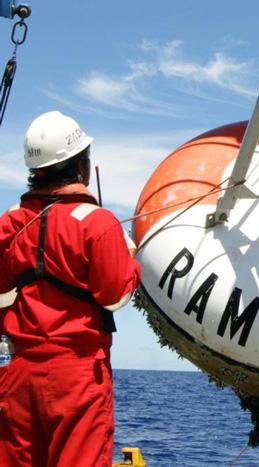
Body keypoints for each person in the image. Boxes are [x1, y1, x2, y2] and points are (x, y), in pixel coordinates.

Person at [0, 111, 141, 467]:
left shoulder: (9, 222)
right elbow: (116, 295)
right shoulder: (98, 223)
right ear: (81, 165)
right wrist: (129, 258)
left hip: (19, 376)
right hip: (77, 377)